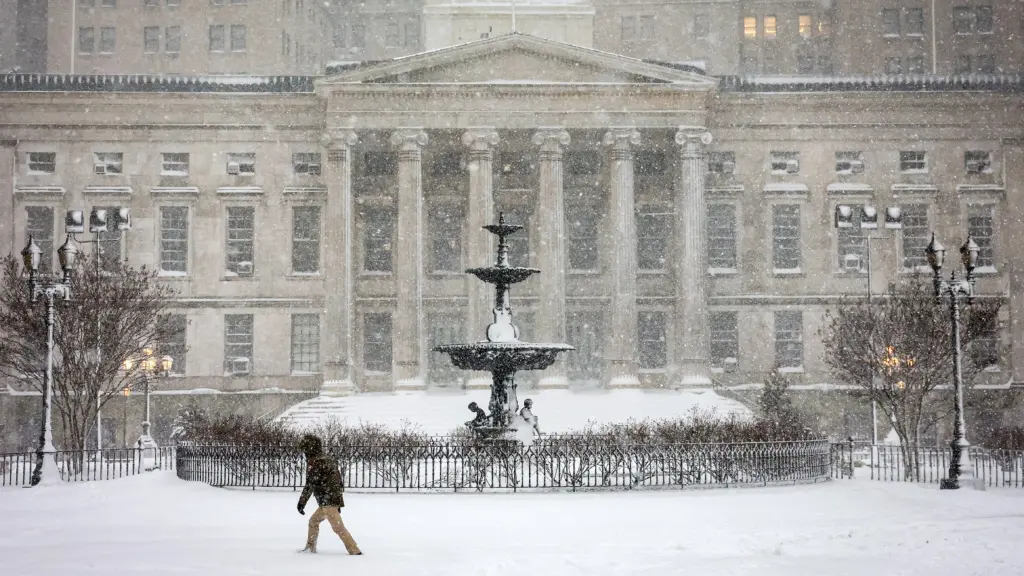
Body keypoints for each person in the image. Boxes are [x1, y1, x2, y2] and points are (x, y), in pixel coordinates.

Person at [297, 434, 362, 555]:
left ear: (308, 448)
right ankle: (310, 548)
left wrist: (301, 502)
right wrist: (337, 500)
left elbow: (310, 484)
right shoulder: (327, 458)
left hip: (327, 500)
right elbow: (338, 480)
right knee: (313, 522)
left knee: (338, 527)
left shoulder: (315, 461)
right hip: (329, 498)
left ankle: (354, 550)